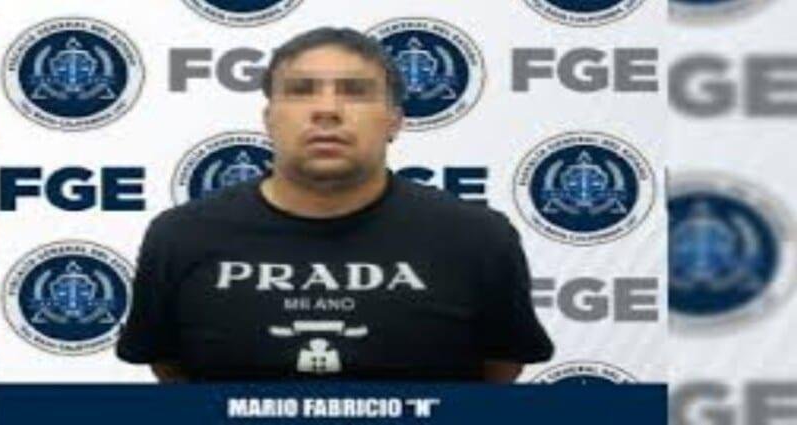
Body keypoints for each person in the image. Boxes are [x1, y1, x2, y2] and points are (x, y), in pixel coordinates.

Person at [116, 27, 553, 382]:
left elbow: (499, 369)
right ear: (269, 119)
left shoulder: (477, 237)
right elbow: (170, 370)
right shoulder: (182, 236)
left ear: (394, 121)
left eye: (356, 92)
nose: (327, 110)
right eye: (301, 91)